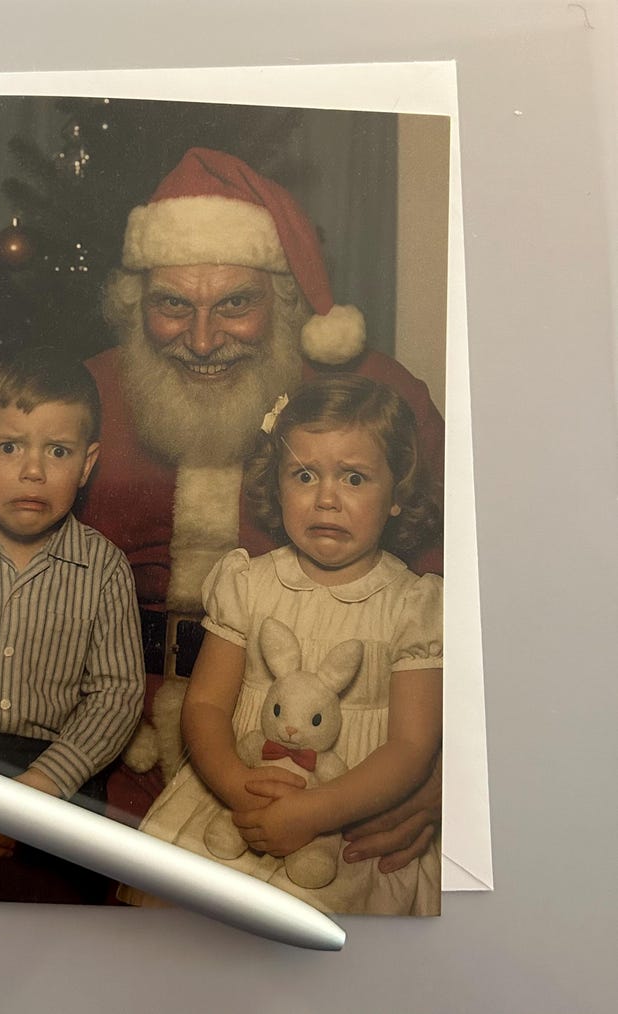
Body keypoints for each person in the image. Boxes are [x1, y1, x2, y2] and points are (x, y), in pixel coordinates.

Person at [79, 147, 443, 868]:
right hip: (106, 749)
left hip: (334, 767)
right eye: (172, 305)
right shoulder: (83, 399)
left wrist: (444, 773)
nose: (204, 339)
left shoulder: (377, 402)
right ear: (135, 305)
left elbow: (485, 615)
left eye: (236, 303)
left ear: (284, 299)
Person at [123, 375, 443, 915]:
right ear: (277, 484)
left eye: (355, 478)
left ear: (397, 496)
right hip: (235, 800)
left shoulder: (413, 607)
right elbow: (204, 705)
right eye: (304, 474)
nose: (326, 499)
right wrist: (236, 786)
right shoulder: (247, 584)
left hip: (348, 815)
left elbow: (410, 747)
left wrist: (314, 813)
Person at [0, 347, 145, 902]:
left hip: (61, 770)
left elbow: (116, 695)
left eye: (57, 451)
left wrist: (45, 785)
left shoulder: (104, 567)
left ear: (86, 465)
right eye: (9, 446)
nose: (33, 470)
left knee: (56, 913)